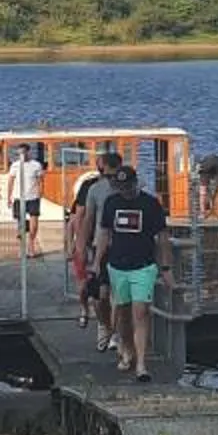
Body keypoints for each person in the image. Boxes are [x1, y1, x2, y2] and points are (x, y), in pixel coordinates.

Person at [94, 163, 172, 382]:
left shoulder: (150, 204)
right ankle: (126, 348)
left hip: (144, 266)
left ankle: (141, 364)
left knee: (141, 312)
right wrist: (98, 261)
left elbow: (162, 236)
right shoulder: (112, 203)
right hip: (117, 265)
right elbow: (104, 233)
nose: (125, 191)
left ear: (135, 183)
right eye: (121, 187)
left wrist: (165, 267)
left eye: (128, 186)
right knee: (123, 314)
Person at [65, 149, 125, 344]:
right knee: (97, 293)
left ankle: (115, 332)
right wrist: (78, 245)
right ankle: (103, 324)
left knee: (116, 292)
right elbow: (82, 217)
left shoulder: (127, 186)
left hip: (120, 245)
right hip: (96, 244)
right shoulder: (91, 188)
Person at [6, 144, 46, 257]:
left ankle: (31, 245)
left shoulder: (36, 165)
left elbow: (41, 180)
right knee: (21, 224)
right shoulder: (15, 166)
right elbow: (10, 181)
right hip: (19, 198)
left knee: (34, 224)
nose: (21, 155)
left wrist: (40, 193)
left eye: (23, 153)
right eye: (19, 154)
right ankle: (22, 248)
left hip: (33, 197)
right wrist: (8, 197)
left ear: (28, 152)